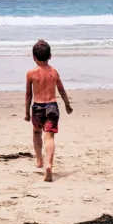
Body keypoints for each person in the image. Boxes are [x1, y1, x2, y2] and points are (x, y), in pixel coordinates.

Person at [25, 39, 72, 182]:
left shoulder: (31, 74)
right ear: (50, 56)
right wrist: (67, 105)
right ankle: (49, 165)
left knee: (36, 132)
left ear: (33, 57)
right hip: (52, 106)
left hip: (38, 107)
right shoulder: (54, 72)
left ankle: (39, 159)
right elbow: (62, 90)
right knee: (49, 137)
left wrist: (27, 112)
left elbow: (29, 95)